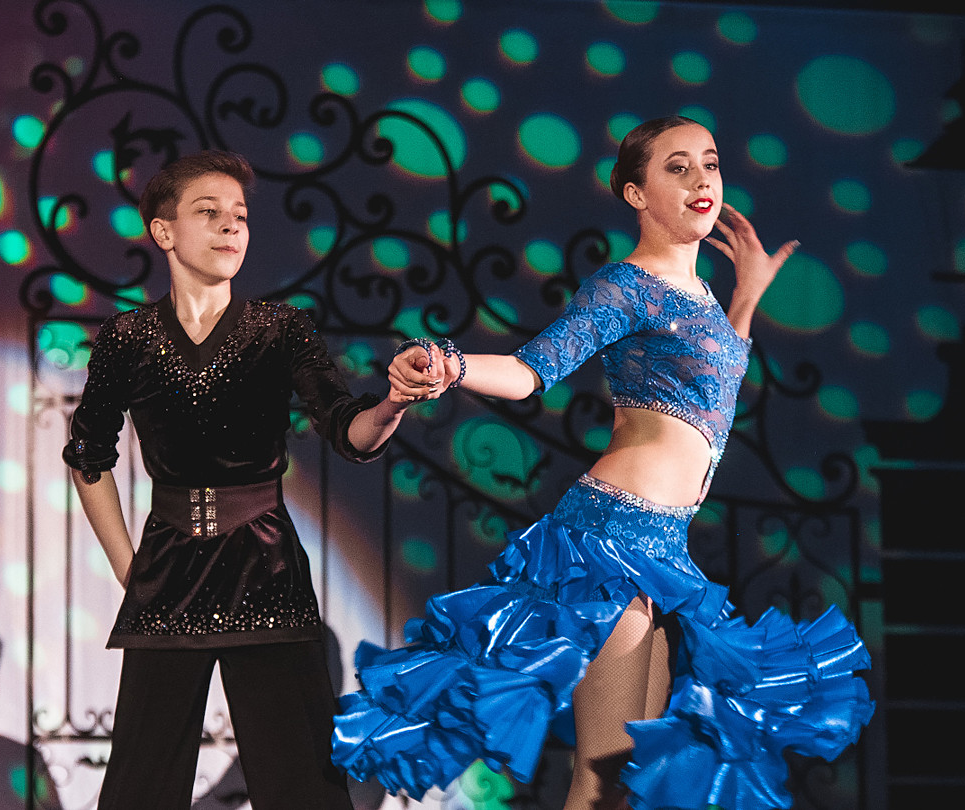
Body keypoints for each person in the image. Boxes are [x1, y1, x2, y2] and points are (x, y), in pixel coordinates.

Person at [332, 117, 874, 810]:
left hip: (664, 550)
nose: (702, 179)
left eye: (710, 163)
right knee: (599, 776)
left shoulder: (704, 299)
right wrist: (452, 363)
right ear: (635, 194)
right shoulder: (627, 287)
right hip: (610, 543)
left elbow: (714, 391)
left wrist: (745, 297)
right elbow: (533, 369)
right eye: (677, 167)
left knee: (626, 778)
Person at [63, 150, 420, 810]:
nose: (231, 226)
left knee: (302, 784)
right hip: (168, 569)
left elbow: (347, 430)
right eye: (209, 212)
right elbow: (89, 455)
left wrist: (393, 404)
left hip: (265, 566)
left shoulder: (280, 330)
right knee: (142, 784)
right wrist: (129, 570)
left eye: (240, 216)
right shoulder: (127, 337)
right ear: (163, 231)